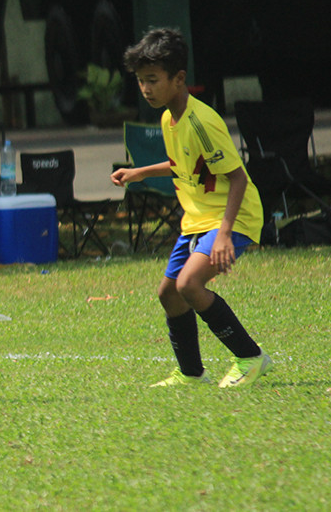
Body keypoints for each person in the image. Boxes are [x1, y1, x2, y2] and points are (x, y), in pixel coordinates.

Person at [111, 28, 272, 388]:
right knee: (168, 293)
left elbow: (238, 178)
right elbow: (185, 164)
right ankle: (191, 374)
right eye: (140, 81)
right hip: (198, 220)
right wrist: (140, 172)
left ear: (179, 78)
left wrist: (225, 235)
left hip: (232, 216)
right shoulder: (170, 118)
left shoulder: (201, 122)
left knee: (189, 284)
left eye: (152, 80)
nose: (146, 89)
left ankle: (251, 357)